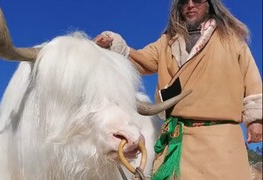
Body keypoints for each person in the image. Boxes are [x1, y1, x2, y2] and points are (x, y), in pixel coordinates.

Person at [94, 0, 262, 179]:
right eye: (183, 2)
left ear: (210, 5)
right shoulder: (167, 42)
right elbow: (139, 60)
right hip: (176, 140)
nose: (190, 5)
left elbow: (251, 79)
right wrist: (113, 45)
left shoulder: (231, 40)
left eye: (197, 0)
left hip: (220, 140)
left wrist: (256, 119)